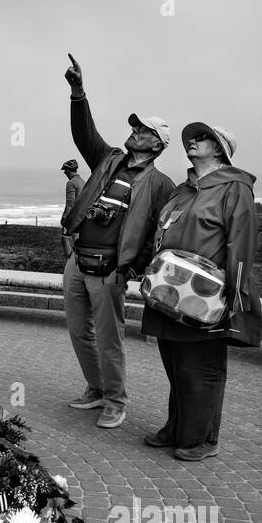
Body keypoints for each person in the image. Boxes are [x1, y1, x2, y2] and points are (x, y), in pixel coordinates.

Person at [61, 52, 176, 429]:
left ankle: (115, 400)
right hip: (78, 261)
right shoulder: (109, 160)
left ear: (157, 145)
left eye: (144, 131)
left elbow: (160, 234)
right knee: (80, 332)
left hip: (110, 270)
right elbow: (84, 134)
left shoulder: (160, 185)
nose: (135, 132)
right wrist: (79, 92)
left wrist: (131, 269)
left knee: (110, 340)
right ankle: (96, 389)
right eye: (135, 128)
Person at [142, 122, 262, 461]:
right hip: (171, 293)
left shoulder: (234, 188)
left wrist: (233, 298)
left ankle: (203, 439)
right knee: (177, 366)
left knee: (202, 370)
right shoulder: (183, 189)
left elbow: (242, 244)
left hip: (207, 297)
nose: (193, 141)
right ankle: (178, 428)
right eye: (192, 138)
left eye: (204, 137)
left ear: (220, 148)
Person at [60, 159, 86, 229]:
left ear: (68, 170)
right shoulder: (83, 181)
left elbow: (70, 203)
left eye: (65, 170)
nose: (64, 173)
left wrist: (64, 217)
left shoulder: (71, 183)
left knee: (66, 238)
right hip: (82, 218)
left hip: (73, 219)